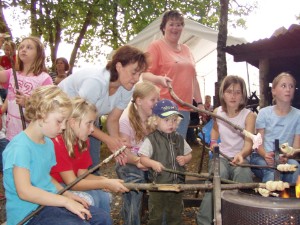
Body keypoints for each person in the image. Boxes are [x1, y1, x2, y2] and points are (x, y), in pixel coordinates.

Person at [2, 85, 111, 225]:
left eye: (65, 122)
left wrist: (67, 194)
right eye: (59, 121)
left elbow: (45, 178)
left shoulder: (47, 143)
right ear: (41, 114)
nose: (64, 127)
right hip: (28, 214)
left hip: (49, 205)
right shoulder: (20, 147)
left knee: (101, 218)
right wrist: (65, 201)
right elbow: (25, 191)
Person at [58, 45, 148, 170]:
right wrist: (109, 140)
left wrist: (118, 144)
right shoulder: (96, 82)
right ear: (119, 66)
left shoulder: (128, 87)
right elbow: (80, 118)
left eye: (140, 74)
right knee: (67, 163)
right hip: (65, 117)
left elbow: (113, 119)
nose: (137, 79)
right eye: (134, 72)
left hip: (88, 120)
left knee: (92, 164)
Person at [50, 97, 129, 215]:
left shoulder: (83, 141)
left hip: (70, 183)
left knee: (104, 197)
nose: (92, 129)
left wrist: (107, 180)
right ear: (72, 122)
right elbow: (73, 183)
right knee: (92, 199)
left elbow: (83, 175)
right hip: (55, 186)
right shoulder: (58, 143)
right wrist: (105, 183)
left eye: (93, 124)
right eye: (89, 124)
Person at [196, 75, 256, 225]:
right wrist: (214, 142)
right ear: (223, 94)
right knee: (217, 176)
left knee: (243, 176)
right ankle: (204, 221)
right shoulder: (218, 112)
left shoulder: (249, 116)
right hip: (221, 156)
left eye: (237, 92)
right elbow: (215, 130)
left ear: (243, 95)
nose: (233, 96)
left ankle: (240, 219)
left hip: (241, 157)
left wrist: (241, 154)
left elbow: (249, 144)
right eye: (229, 91)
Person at [142, 10, 204, 138]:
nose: (175, 28)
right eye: (171, 24)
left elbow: (193, 79)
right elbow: (144, 75)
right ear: (163, 27)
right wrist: (159, 79)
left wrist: (199, 103)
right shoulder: (156, 46)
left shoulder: (186, 49)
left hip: (184, 108)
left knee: (177, 149)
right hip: (163, 108)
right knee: (164, 149)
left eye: (179, 24)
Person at [139, 99, 192, 225]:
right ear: (155, 120)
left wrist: (185, 159)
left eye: (174, 120)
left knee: (175, 215)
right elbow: (142, 158)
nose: (171, 124)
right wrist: (153, 163)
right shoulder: (151, 139)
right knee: (156, 215)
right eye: (166, 120)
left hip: (177, 186)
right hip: (158, 186)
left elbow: (189, 153)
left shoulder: (179, 138)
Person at [115, 81, 160, 225]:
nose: (156, 103)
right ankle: (131, 221)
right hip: (128, 162)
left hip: (147, 161)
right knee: (135, 185)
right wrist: (137, 161)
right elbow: (124, 152)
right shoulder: (125, 120)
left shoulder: (155, 119)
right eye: (153, 100)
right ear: (139, 101)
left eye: (157, 100)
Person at [0, 36, 53, 141]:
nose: (24, 49)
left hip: (32, 136)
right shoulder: (12, 73)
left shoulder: (44, 78)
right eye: (21, 47)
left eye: (29, 47)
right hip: (11, 135)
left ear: (39, 54)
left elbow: (49, 107)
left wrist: (28, 103)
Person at [250, 72, 300, 184]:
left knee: (295, 167)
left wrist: (287, 156)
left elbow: (296, 147)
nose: (288, 89)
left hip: (285, 158)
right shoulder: (264, 113)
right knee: (271, 171)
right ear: (273, 91)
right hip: (261, 157)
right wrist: (266, 155)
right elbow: (257, 144)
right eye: (283, 86)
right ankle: (270, 198)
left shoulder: (298, 115)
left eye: (291, 86)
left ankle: (289, 198)